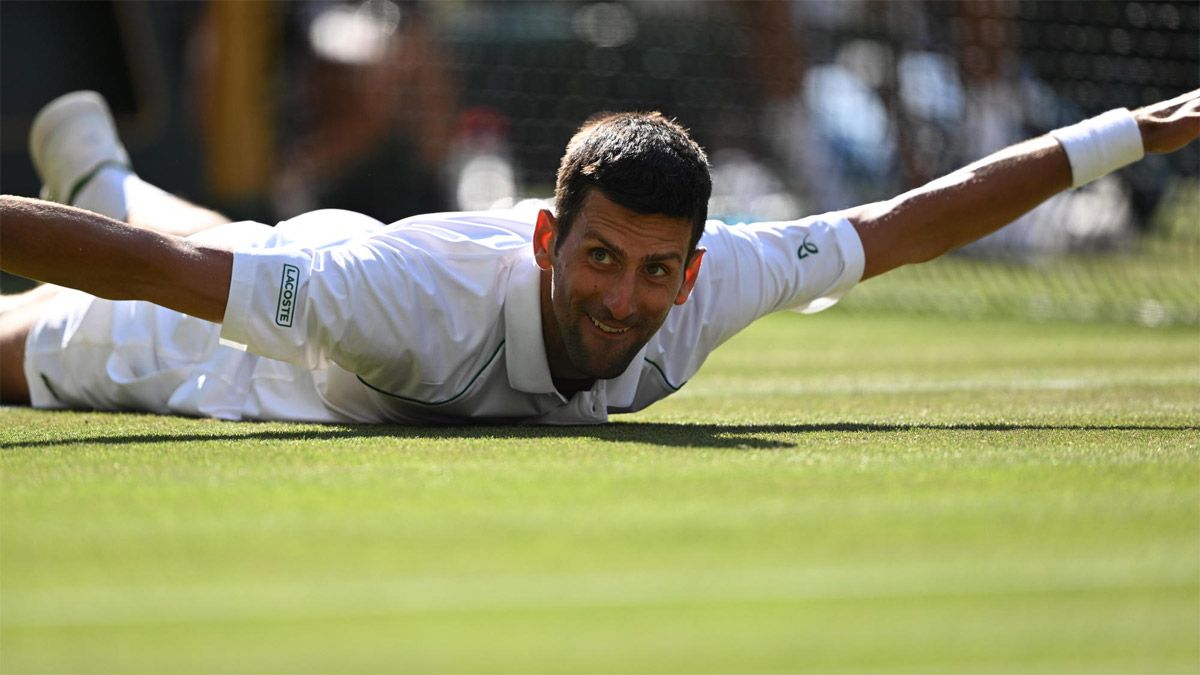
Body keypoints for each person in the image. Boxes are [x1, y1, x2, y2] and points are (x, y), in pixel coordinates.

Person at [2, 90, 1198, 423]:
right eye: (602, 260)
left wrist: (1124, 136)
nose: (629, 300)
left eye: (656, 270)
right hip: (237, 354)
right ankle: (108, 189)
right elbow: (158, 279)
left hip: (324, 274)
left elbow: (909, 222)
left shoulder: (713, 277)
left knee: (220, 243)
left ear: (693, 263)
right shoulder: (411, 303)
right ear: (547, 237)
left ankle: (108, 174)